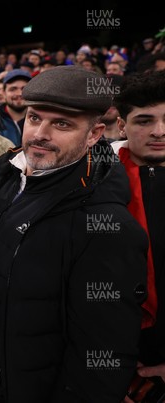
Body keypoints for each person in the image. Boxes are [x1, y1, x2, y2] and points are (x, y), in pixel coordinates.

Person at [0, 65, 148, 402]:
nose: (40, 134)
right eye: (34, 118)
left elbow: (101, 359)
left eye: (62, 124)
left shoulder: (107, 224)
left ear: (94, 134)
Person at [112, 71, 165, 402]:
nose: (159, 131)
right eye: (145, 121)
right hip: (113, 361)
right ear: (121, 126)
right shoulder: (90, 180)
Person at [0, 68, 31, 147]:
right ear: (4, 93)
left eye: (24, 89)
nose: (19, 93)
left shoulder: (42, 121)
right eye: (13, 89)